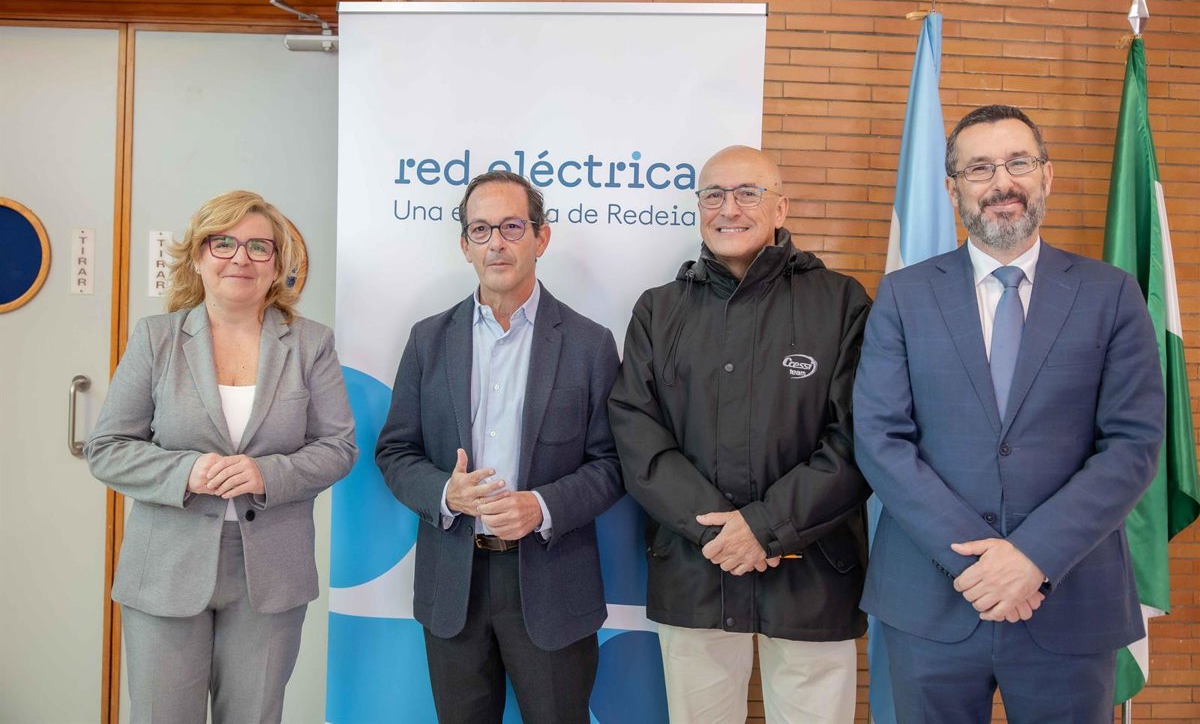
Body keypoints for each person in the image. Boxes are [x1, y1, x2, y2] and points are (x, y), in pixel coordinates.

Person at [854, 104, 1164, 721]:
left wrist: (1033, 557)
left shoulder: (1111, 294)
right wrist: (981, 566)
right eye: (979, 168)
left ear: (1046, 175)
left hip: (1069, 599)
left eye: (1018, 162)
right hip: (933, 598)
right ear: (953, 189)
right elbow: (880, 439)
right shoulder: (903, 295)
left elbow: (1133, 444)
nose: (1002, 182)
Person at [608, 145, 872, 723]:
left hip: (813, 572)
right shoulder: (659, 310)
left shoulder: (841, 302)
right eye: (713, 195)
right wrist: (722, 534)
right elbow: (637, 435)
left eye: (748, 193)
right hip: (696, 569)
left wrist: (763, 527)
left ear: (780, 207)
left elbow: (858, 439)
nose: (729, 208)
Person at [85, 191, 357, 724]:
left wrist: (266, 473)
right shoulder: (156, 339)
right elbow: (108, 449)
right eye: (223, 243)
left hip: (271, 573)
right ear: (198, 256)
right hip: (166, 568)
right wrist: (185, 471)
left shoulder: (311, 344)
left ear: (276, 265)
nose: (241, 258)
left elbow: (338, 447)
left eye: (259, 247)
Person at [375, 170, 623, 724]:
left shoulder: (590, 344)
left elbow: (613, 464)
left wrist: (541, 506)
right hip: (453, 584)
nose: (496, 243)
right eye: (481, 230)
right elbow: (395, 451)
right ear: (465, 245)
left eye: (512, 227)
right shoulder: (428, 340)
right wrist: (446, 493)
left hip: (552, 581)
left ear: (541, 237)